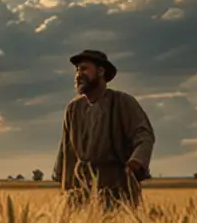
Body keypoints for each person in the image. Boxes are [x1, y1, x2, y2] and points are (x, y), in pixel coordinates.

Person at [55, 49, 154, 210]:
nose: (79, 74)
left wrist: (136, 161)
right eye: (77, 70)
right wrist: (67, 190)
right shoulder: (73, 109)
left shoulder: (122, 102)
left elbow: (143, 134)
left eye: (84, 68)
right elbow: (66, 151)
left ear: (101, 71)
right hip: (82, 190)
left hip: (117, 187)